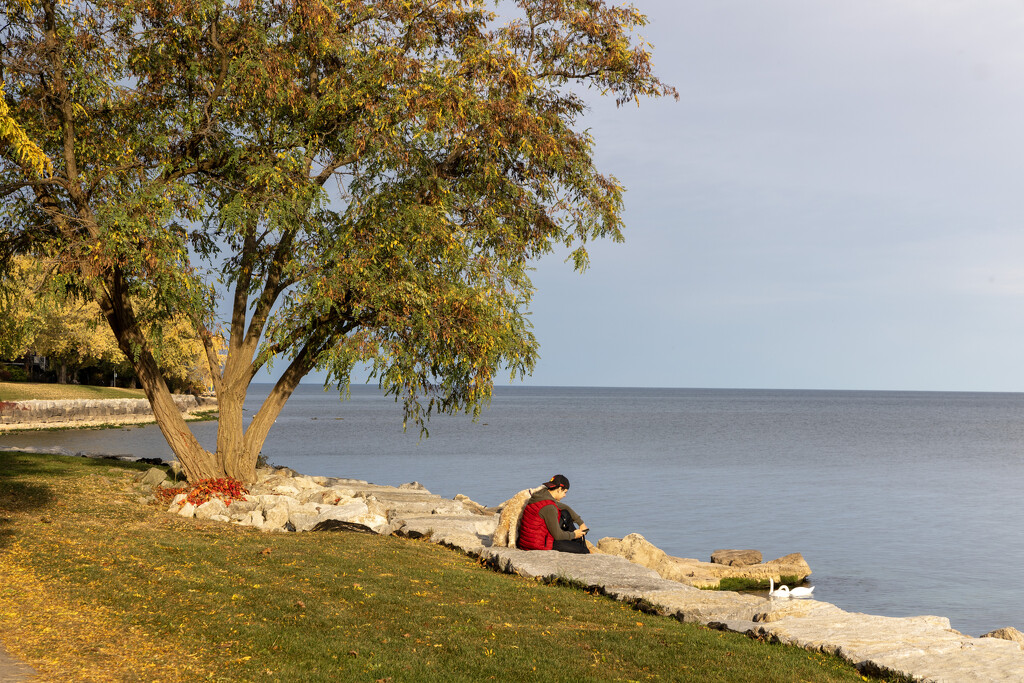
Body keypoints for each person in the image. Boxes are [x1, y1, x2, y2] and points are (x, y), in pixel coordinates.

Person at [516, 474, 590, 553]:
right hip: (538, 544)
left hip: (530, 539)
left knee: (565, 513)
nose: (565, 495)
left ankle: (577, 543)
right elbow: (558, 535)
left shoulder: (541, 495)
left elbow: (564, 507)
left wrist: (581, 523)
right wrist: (574, 535)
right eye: (565, 492)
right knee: (584, 551)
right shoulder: (549, 507)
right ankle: (579, 545)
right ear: (559, 489)